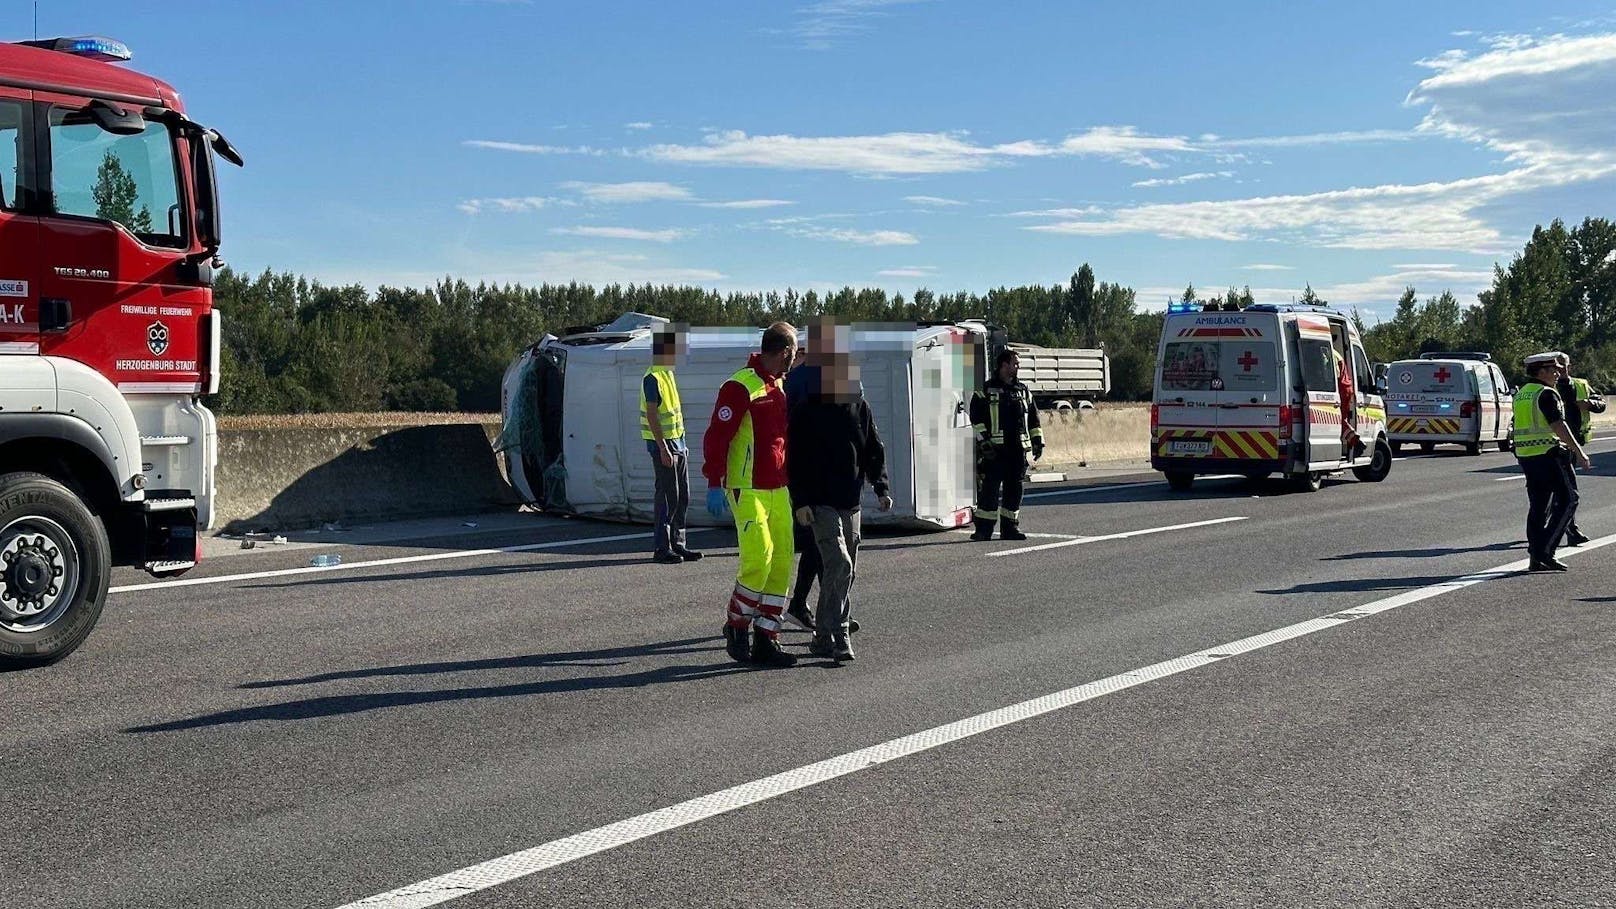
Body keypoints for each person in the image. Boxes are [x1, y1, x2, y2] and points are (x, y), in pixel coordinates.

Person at [787, 326, 890, 663]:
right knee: (840, 564)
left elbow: (873, 448)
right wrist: (800, 500)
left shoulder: (859, 406)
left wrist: (881, 486)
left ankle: (820, 636)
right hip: (819, 502)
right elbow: (795, 458)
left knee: (845, 572)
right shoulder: (807, 410)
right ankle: (840, 635)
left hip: (851, 500)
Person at [704, 322, 799, 667]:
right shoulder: (739, 385)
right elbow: (717, 436)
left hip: (778, 487)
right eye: (795, 351)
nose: (796, 358)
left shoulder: (779, 385)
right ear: (785, 351)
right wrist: (714, 482)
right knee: (758, 559)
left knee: (782, 560)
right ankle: (736, 624)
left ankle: (767, 636)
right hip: (747, 487)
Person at [1514, 353, 1591, 572]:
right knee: (1569, 499)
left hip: (1528, 456)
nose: (1557, 374)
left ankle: (1535, 557)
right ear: (1541, 372)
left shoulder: (1522, 394)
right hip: (1549, 453)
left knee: (1539, 507)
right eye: (1553, 370)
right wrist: (1579, 451)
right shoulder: (1546, 393)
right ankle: (1546, 550)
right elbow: (1559, 426)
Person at [969, 349, 1043, 541]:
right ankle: (983, 530)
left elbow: (1034, 419)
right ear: (1003, 365)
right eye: (1015, 363)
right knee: (990, 491)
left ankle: (1010, 528)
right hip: (995, 451)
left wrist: (1037, 442)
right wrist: (984, 442)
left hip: (1017, 450)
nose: (1017, 367)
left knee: (1014, 491)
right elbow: (976, 418)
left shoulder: (1023, 391)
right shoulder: (985, 390)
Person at [642, 325, 701, 564]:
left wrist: (682, 444)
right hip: (663, 446)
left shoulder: (668, 375)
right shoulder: (652, 377)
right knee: (667, 497)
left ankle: (679, 544)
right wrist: (663, 447)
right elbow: (652, 416)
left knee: (682, 495)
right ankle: (662, 548)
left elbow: (675, 415)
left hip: (678, 444)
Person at [1555, 352, 1605, 547]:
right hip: (1553, 445)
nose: (1560, 369)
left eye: (1563, 365)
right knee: (1562, 491)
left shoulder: (1580, 385)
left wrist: (1589, 404)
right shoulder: (1547, 385)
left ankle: (1565, 527)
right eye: (1556, 366)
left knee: (1565, 490)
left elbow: (1600, 403)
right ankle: (1568, 529)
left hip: (1574, 442)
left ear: (1570, 366)